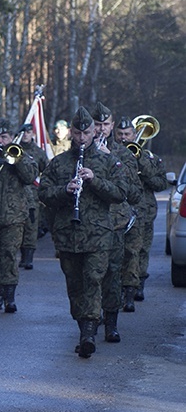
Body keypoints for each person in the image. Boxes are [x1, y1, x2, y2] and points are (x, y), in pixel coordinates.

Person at [39, 107, 126, 358]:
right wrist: (64, 190)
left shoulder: (108, 161)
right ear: (71, 132)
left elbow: (121, 193)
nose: (82, 138)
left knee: (93, 280)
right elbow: (43, 194)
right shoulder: (58, 163)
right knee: (75, 285)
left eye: (86, 132)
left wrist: (94, 180)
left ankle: (88, 333)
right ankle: (83, 325)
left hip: (99, 236)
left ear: (93, 132)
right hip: (68, 235)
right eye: (77, 132)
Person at [0, 119, 38, 313]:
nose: (1, 141)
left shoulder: (22, 155)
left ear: (12, 138)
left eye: (4, 137)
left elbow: (30, 177)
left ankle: (10, 297)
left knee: (9, 255)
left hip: (14, 216)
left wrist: (16, 161)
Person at [91, 102, 141, 340]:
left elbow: (134, 192)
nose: (101, 129)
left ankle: (111, 322)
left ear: (111, 126)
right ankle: (90, 319)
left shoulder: (124, 153)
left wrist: (111, 160)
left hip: (114, 224)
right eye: (97, 124)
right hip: (88, 225)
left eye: (105, 124)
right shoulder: (80, 152)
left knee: (112, 274)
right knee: (90, 275)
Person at [114, 116, 168, 303]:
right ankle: (123, 286)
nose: (123, 138)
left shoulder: (149, 158)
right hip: (119, 210)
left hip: (144, 210)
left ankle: (138, 285)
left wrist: (139, 163)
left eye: (127, 134)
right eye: (119, 134)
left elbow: (161, 183)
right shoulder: (110, 154)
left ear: (135, 134)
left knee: (141, 250)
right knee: (122, 251)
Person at [18, 123, 49, 270]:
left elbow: (46, 170)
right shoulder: (15, 149)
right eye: (23, 132)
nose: (25, 135)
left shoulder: (38, 152)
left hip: (32, 194)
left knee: (31, 225)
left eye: (28, 132)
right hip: (16, 194)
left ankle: (28, 257)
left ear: (32, 134)